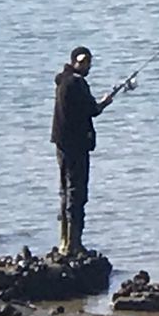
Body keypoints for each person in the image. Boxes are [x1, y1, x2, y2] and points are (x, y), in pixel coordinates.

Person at [51, 47, 115, 256]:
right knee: (76, 193)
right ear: (75, 62)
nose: (87, 65)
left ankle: (64, 242)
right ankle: (73, 244)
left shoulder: (62, 81)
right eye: (83, 62)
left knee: (64, 191)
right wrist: (105, 102)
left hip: (61, 144)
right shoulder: (77, 83)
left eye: (88, 62)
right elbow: (91, 110)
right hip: (75, 145)